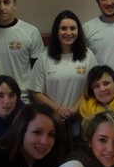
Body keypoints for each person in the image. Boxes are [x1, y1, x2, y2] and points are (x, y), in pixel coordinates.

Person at [29, 10, 97, 138]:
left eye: (73, 28)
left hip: (80, 118)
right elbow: (36, 92)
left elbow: (92, 88)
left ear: (78, 30)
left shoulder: (88, 56)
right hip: (52, 119)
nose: (68, 33)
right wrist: (58, 109)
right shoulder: (44, 58)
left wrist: (74, 110)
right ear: (56, 31)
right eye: (64, 28)